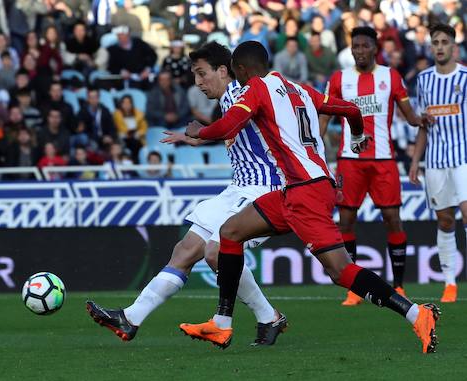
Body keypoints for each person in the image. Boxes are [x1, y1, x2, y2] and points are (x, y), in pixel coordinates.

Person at [175, 41, 438, 353]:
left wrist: (198, 131)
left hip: (306, 192)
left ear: (242, 70)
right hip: (295, 190)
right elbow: (351, 109)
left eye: (236, 73)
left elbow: (228, 126)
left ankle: (417, 314)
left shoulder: (256, 89)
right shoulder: (298, 89)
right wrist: (356, 136)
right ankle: (221, 323)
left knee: (340, 270)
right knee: (230, 233)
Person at [87, 42, 285, 345]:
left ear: (223, 71)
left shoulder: (244, 94)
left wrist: (203, 133)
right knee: (185, 249)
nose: (198, 82)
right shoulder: (231, 99)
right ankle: (130, 318)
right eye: (195, 75)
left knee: (216, 252)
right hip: (239, 188)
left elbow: (256, 126)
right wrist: (204, 137)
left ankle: (265, 317)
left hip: (264, 190)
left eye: (202, 74)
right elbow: (244, 131)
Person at [319, 27, 427, 304]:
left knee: (392, 219)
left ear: (374, 48)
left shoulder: (390, 76)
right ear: (351, 48)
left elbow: (410, 117)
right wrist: (314, 149)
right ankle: (354, 289)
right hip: (349, 161)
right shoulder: (340, 79)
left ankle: (400, 285)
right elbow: (324, 121)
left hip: (383, 160)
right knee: (346, 220)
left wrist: (424, 119)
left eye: (365, 45)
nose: (360, 51)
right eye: (355, 46)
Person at [409, 24, 467, 304]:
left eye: (445, 41)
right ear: (431, 47)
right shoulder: (424, 79)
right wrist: (415, 161)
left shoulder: (466, 77)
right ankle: (450, 283)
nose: (440, 46)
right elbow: (423, 124)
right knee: (445, 220)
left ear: (454, 46)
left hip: (464, 158)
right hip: (435, 161)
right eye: (435, 42)